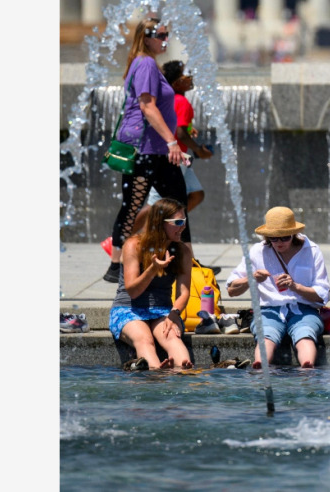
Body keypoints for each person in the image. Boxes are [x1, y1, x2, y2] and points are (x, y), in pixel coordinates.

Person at [103, 17, 189, 283]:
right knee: (135, 205)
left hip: (155, 149)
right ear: (147, 36)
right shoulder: (146, 63)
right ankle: (116, 264)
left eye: (167, 35)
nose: (166, 40)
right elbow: (147, 106)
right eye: (161, 35)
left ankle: (182, 258)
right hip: (144, 149)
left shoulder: (145, 63)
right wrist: (173, 142)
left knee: (176, 203)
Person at [130, 59, 219, 273]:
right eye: (186, 76)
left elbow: (178, 126)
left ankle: (166, 229)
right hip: (174, 159)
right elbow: (178, 132)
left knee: (195, 194)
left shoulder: (176, 100)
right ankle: (127, 239)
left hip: (179, 158)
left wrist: (190, 131)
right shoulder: (182, 101)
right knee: (160, 206)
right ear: (177, 82)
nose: (191, 79)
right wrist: (199, 149)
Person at [226, 207, 330, 368]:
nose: (279, 242)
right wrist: (251, 279)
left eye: (285, 237)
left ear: (293, 234)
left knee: (305, 333)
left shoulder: (312, 250)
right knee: (266, 334)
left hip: (303, 309)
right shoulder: (257, 251)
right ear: (267, 237)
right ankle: (260, 365)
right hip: (269, 309)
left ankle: (307, 368)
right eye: (274, 239)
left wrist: (295, 287)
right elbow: (231, 289)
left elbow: (322, 295)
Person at [108, 198, 194, 370]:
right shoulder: (134, 245)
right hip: (128, 309)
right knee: (144, 339)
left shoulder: (183, 251)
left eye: (184, 221)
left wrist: (175, 313)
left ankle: (184, 371)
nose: (183, 226)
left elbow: (183, 292)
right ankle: (155, 374)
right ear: (159, 223)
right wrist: (153, 269)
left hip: (162, 310)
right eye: (177, 222)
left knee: (171, 337)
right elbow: (132, 291)